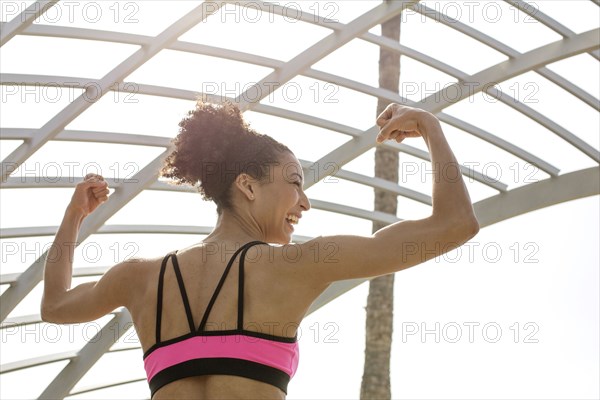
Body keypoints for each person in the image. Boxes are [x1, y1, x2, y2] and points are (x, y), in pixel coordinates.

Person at [41, 101, 479, 399]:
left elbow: (56, 306)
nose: (305, 202)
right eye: (295, 183)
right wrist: (429, 126)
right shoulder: (298, 266)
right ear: (248, 186)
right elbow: (455, 224)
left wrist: (74, 217)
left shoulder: (138, 278)